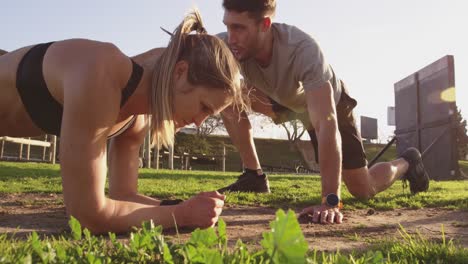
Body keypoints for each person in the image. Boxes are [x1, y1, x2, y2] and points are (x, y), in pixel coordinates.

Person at [0, 9, 248, 234]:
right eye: (204, 107)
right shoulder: (101, 72)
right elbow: (87, 216)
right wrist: (181, 215)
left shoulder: (136, 120)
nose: (198, 122)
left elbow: (123, 195)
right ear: (180, 73)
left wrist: (183, 207)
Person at [215, 0, 430, 224]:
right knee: (224, 93)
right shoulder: (226, 45)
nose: (231, 37)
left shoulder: (302, 50)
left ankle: (408, 161)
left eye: (239, 28)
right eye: (228, 26)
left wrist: (330, 200)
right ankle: (254, 177)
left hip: (330, 106)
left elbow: (327, 126)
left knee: (363, 188)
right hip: (283, 100)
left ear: (264, 24)